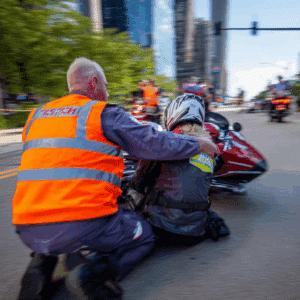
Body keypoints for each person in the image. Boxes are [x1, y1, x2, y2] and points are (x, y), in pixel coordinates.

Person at [13, 57, 220, 300]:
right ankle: (91, 277)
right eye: (106, 85)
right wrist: (197, 143)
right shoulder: (102, 113)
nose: (107, 91)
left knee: (52, 215)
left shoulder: (36, 116)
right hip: (80, 226)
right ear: (93, 82)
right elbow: (155, 143)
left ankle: (39, 266)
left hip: (26, 227)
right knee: (142, 235)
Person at [129, 94, 230, 246]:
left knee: (132, 190)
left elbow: (140, 180)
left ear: (173, 114)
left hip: (161, 228)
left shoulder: (166, 143)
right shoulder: (210, 150)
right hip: (196, 232)